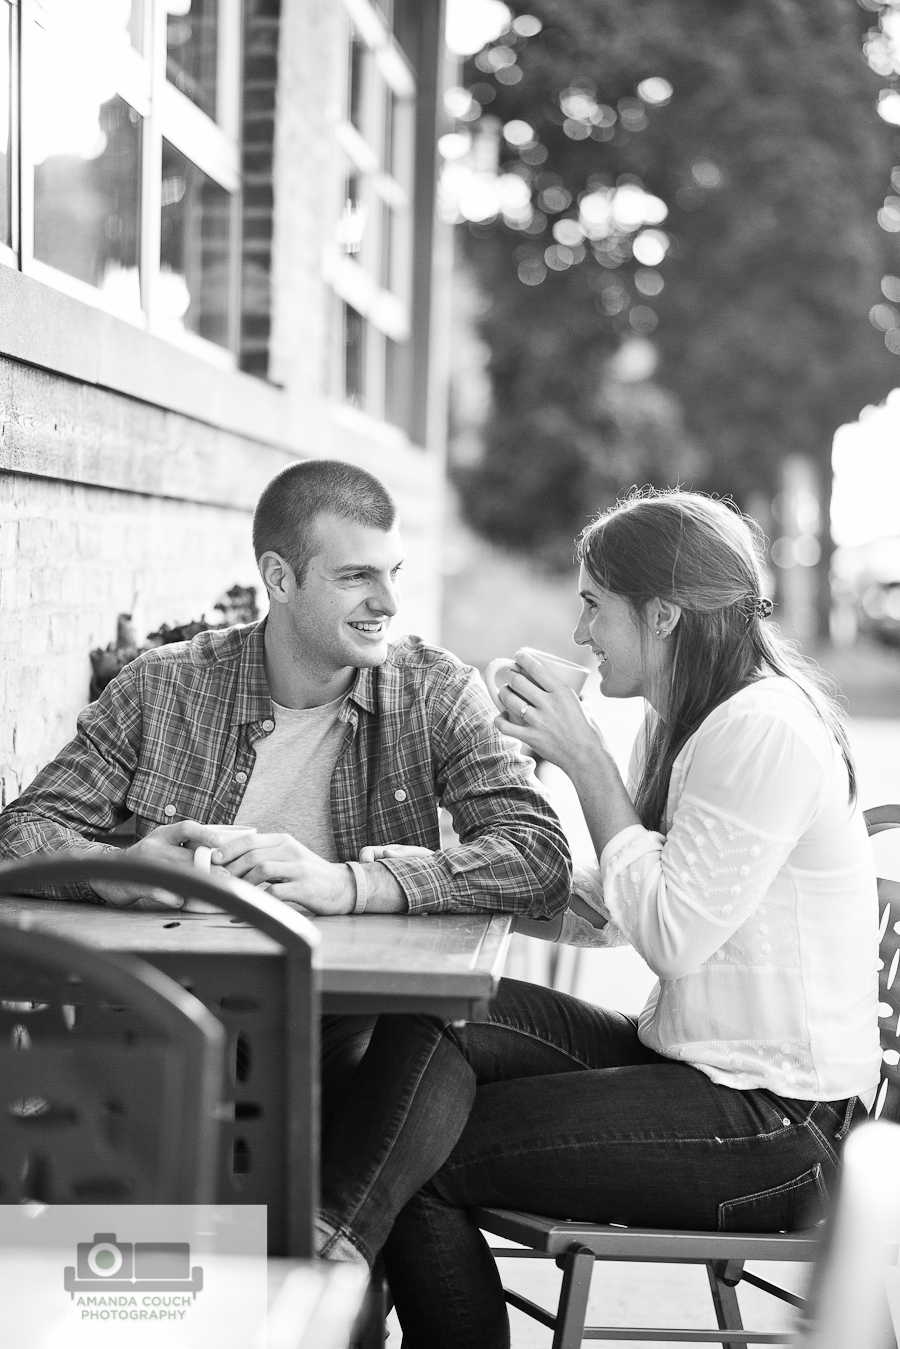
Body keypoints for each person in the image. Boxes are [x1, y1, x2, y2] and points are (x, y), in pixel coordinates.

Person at [315, 490, 881, 1349]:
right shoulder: (688, 720)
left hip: (776, 1125)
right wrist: (462, 864)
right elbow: (620, 913)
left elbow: (670, 932)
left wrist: (586, 760)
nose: (581, 633)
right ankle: (330, 1243)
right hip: (699, 1066)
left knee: (421, 1162)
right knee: (441, 1015)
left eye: (593, 605)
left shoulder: (762, 730)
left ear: (664, 612)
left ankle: (323, 1256)